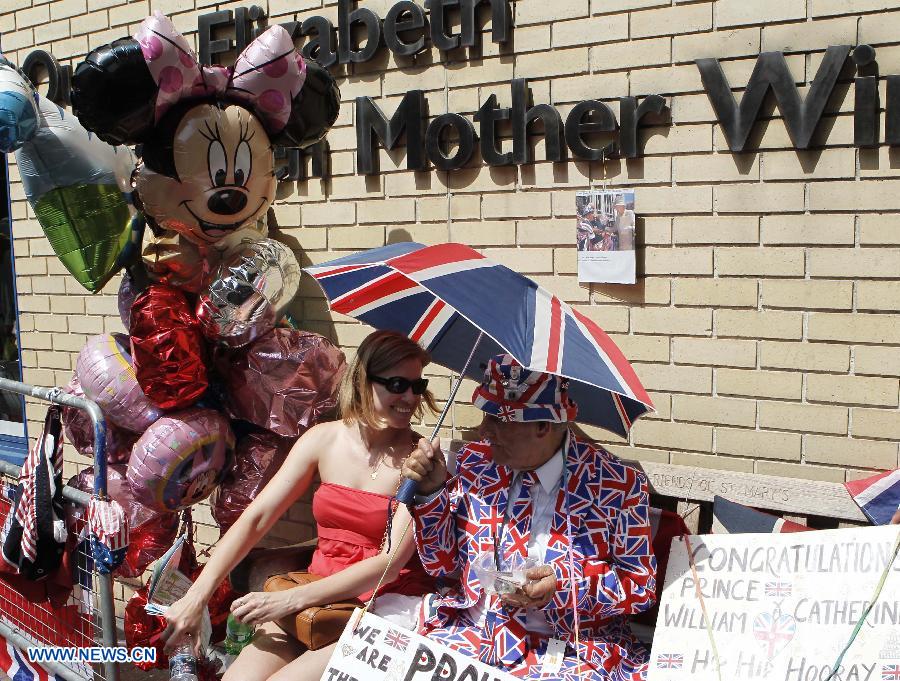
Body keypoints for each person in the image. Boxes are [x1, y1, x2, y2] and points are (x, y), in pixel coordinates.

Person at [161, 330, 437, 681]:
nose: (410, 397)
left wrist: (290, 601)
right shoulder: (324, 439)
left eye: (418, 385)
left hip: (381, 607)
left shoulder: (419, 461)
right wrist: (196, 596)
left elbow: (390, 562)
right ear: (364, 381)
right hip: (315, 601)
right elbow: (258, 516)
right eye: (398, 384)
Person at [402, 354, 657, 681]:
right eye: (485, 415)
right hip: (474, 635)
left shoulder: (615, 485)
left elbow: (640, 584)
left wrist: (564, 586)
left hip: (568, 649)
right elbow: (442, 566)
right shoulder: (477, 467)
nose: (484, 430)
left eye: (498, 418)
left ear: (542, 426)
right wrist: (431, 495)